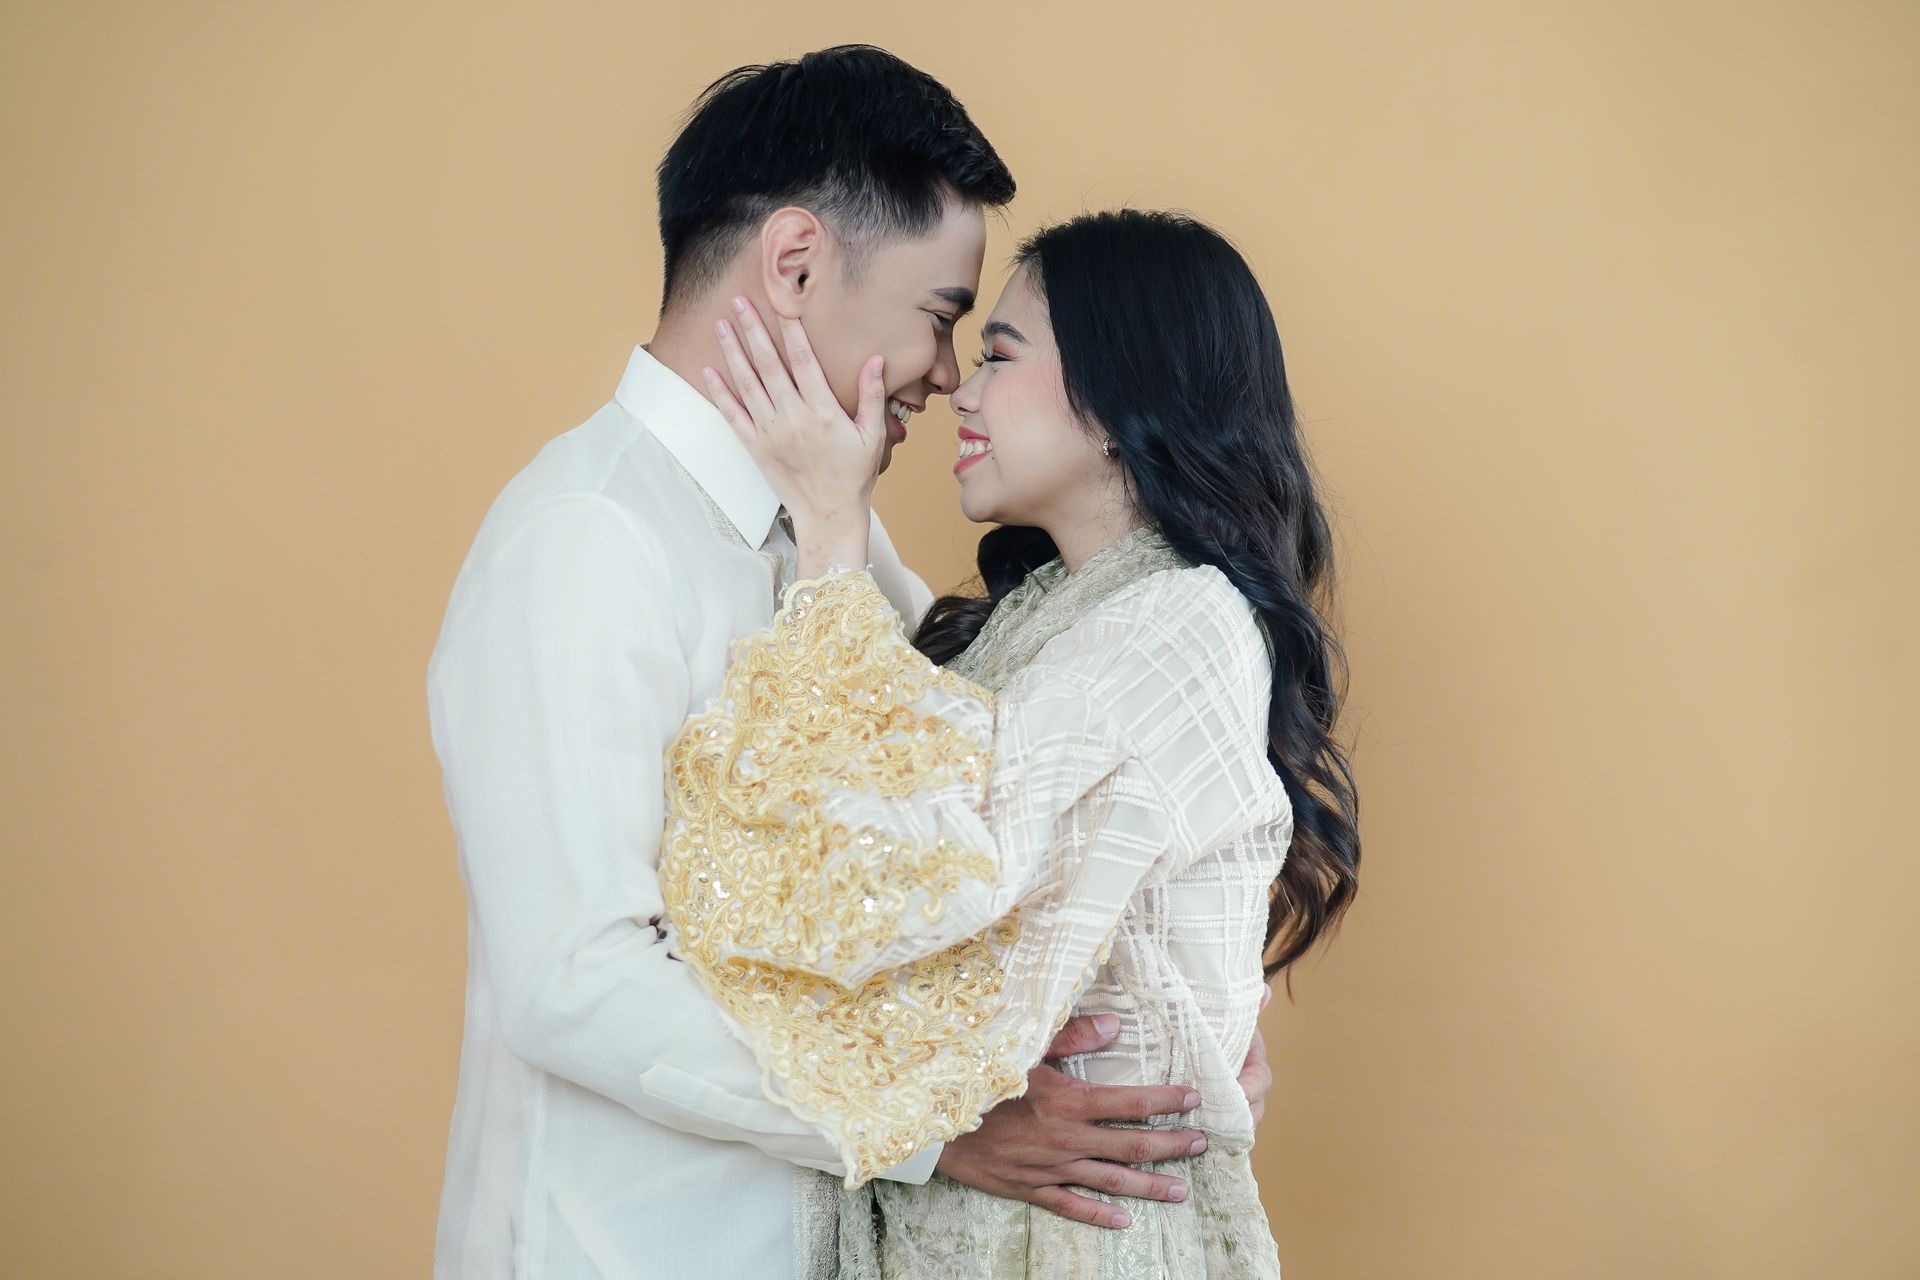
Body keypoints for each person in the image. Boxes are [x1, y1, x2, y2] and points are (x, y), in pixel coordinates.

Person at [426, 48, 1267, 1280]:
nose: (947, 371)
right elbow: (574, 978)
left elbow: (976, 807)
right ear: (796, 265)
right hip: (628, 1246)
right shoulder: (586, 536)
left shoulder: (833, 529)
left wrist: (1183, 1010)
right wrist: (942, 1127)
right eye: (941, 316)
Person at [666, 208, 1361, 1277]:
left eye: (998, 353)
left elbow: (923, 879)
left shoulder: (1186, 624)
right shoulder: (1045, 613)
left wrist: (835, 533)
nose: (960, 387)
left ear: (1118, 401)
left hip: (1079, 1238)